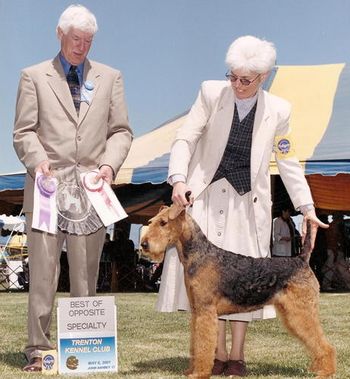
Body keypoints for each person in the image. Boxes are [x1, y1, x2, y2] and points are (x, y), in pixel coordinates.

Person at [157, 35, 328, 377]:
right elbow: (185, 137)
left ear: (263, 77)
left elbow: (288, 160)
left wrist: (306, 207)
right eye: (232, 77)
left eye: (245, 80)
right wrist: (178, 178)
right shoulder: (210, 92)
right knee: (208, 287)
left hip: (246, 202)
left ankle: (236, 356)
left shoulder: (279, 110)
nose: (236, 85)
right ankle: (215, 356)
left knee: (244, 282)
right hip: (205, 195)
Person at [13, 4, 132, 372]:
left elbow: (121, 131)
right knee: (44, 277)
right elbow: (23, 131)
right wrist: (38, 161)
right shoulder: (33, 76)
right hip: (47, 189)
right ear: (59, 34)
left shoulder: (111, 77)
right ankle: (39, 350)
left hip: (91, 192)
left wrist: (110, 164)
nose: (81, 46)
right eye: (75, 38)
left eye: (88, 40)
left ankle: (83, 347)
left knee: (85, 275)